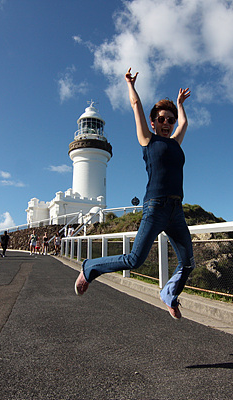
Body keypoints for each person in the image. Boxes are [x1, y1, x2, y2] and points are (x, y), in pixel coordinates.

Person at [75, 68, 194, 320]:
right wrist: (130, 85)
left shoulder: (175, 142)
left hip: (176, 210)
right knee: (134, 260)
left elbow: (184, 123)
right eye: (161, 119)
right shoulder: (148, 140)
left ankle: (169, 294)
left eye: (170, 120)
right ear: (153, 122)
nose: (167, 123)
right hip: (155, 207)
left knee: (187, 262)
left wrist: (180, 105)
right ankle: (90, 268)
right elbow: (135, 104)